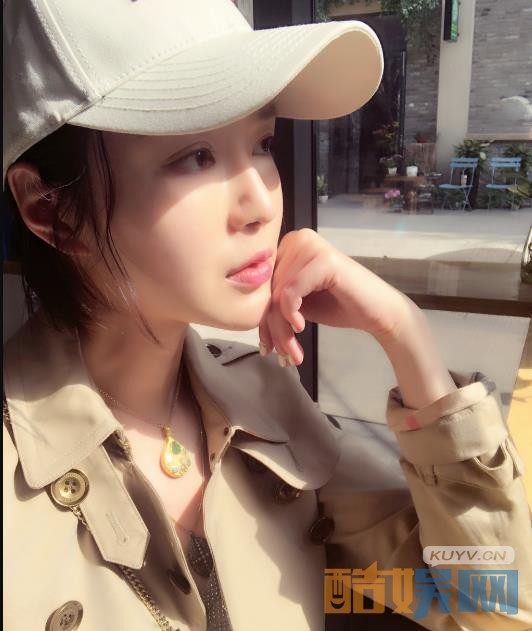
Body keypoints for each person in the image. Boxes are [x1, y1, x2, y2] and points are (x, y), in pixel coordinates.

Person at [3, 1, 531, 630]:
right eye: (195, 156)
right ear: (52, 210)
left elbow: (488, 605)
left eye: (262, 144)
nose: (260, 203)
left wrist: (405, 335)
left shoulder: (264, 403)